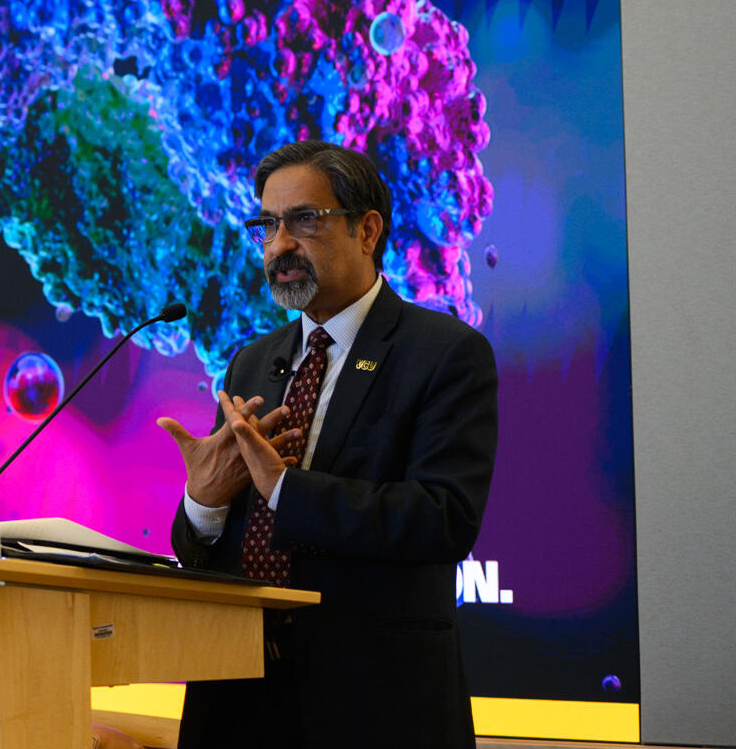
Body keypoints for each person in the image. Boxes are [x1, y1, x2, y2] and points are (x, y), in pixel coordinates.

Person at [157, 140, 497, 749]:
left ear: (367, 231)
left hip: (374, 703)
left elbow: (444, 518)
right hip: (237, 697)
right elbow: (206, 547)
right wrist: (202, 504)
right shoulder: (252, 364)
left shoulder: (444, 353)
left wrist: (286, 490)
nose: (280, 245)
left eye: (304, 221)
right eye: (267, 225)